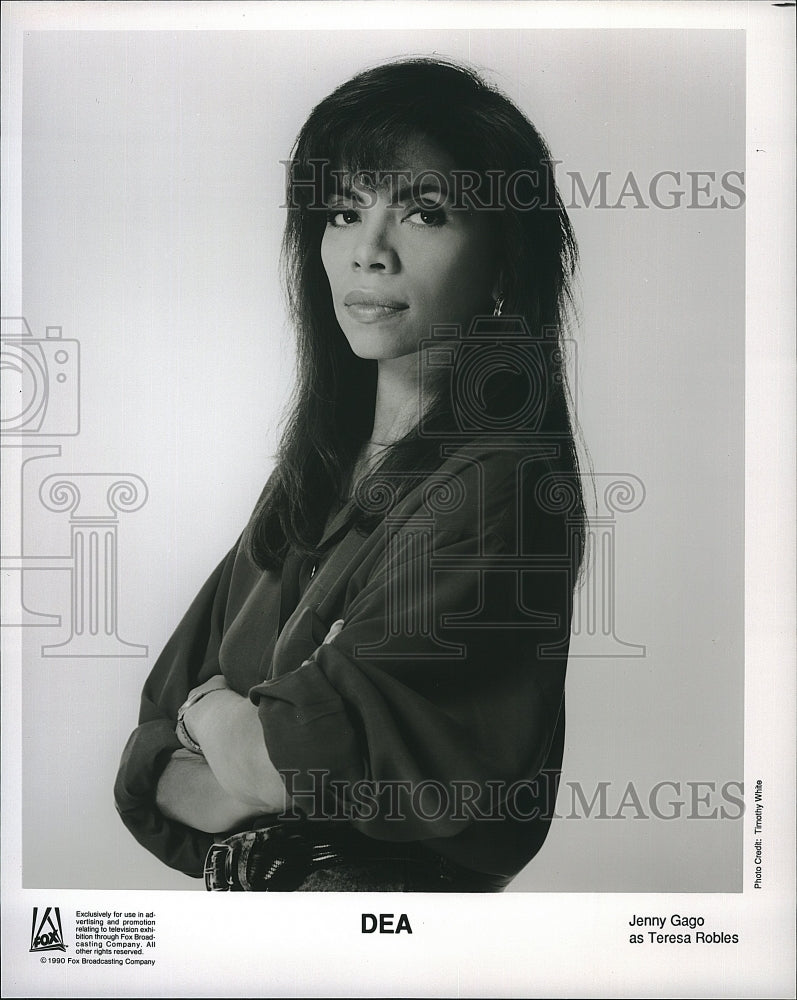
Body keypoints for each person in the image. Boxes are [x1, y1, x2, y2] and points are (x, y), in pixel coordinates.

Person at [114, 56, 587, 892]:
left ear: (505, 264)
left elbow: (279, 767)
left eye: (423, 213)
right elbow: (146, 759)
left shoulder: (499, 484)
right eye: (343, 211)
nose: (368, 253)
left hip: (397, 934)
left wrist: (217, 719)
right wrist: (218, 741)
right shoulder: (313, 479)